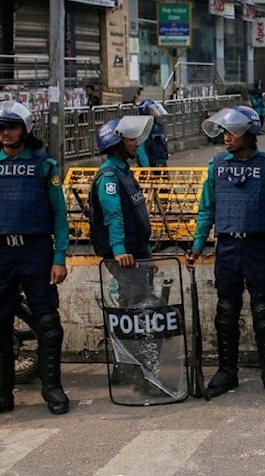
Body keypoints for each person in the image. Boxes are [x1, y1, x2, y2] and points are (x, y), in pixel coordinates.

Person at [0, 102, 70, 419]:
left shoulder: (43, 166)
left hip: (36, 251)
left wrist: (60, 256)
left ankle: (52, 388)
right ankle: (0, 394)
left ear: (25, 129)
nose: (6, 133)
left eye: (11, 127)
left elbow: (59, 216)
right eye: (0, 128)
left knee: (48, 324)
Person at [187, 106, 265, 399]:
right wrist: (196, 246)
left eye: (232, 132)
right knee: (226, 311)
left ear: (249, 134)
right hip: (228, 246)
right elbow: (207, 209)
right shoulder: (217, 166)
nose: (226, 137)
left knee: (263, 310)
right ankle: (226, 371)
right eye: (225, 132)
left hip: (258, 246)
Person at [89, 115, 160, 396]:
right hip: (126, 258)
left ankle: (130, 368)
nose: (135, 143)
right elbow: (113, 215)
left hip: (137, 255)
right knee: (139, 315)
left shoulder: (124, 172)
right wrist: (120, 251)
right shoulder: (108, 176)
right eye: (130, 139)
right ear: (117, 142)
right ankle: (142, 376)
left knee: (132, 311)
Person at [136, 99, 169, 168]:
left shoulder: (158, 126)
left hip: (161, 163)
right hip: (150, 164)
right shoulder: (143, 128)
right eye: (152, 110)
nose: (155, 112)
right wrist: (146, 167)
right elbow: (140, 149)